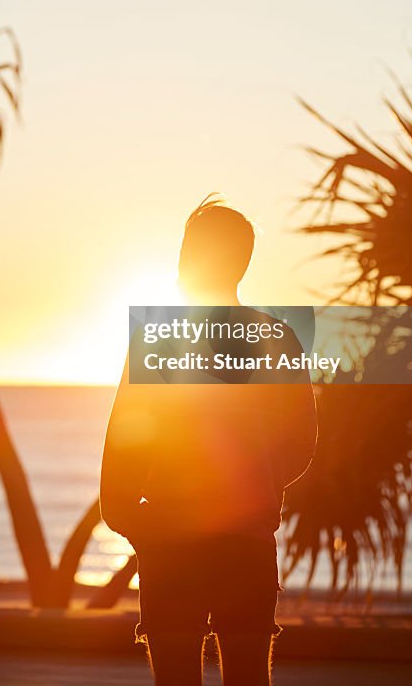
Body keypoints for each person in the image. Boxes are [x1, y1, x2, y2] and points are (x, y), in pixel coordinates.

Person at [100, 196, 317, 686]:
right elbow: (302, 441)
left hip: (173, 540)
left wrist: (126, 516)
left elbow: (126, 437)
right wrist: (256, 486)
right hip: (243, 542)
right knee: (247, 678)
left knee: (177, 677)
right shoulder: (276, 338)